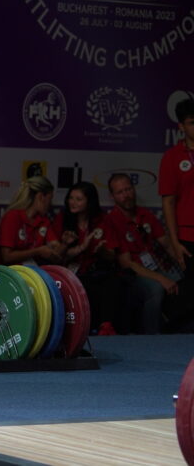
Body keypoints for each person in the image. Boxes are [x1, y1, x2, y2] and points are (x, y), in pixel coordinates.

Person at [106, 173, 192, 333]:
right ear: (112, 197)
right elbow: (127, 263)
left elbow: (166, 243)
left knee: (187, 281)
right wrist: (162, 279)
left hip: (158, 266)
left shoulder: (145, 214)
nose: (126, 195)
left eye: (128, 189)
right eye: (120, 192)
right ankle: (151, 336)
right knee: (156, 289)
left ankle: (180, 334)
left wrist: (183, 262)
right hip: (133, 276)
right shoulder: (112, 221)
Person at [52, 181, 126, 334]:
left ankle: (106, 327)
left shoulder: (103, 220)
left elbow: (112, 255)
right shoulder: (62, 219)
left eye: (78, 199)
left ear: (89, 202)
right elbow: (56, 257)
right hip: (71, 272)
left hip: (97, 270)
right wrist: (69, 245)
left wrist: (102, 251)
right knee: (82, 284)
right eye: (71, 198)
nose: (73, 202)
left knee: (113, 282)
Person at [160, 98, 194, 279]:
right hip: (188, 236)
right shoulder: (171, 157)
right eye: (192, 123)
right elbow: (168, 202)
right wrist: (174, 243)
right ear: (181, 126)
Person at [0, 176, 63, 266]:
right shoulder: (12, 216)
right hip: (13, 272)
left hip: (35, 272)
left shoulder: (44, 221)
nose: (50, 205)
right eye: (50, 199)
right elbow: (6, 256)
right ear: (41, 197)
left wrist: (64, 244)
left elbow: (55, 249)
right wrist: (37, 251)